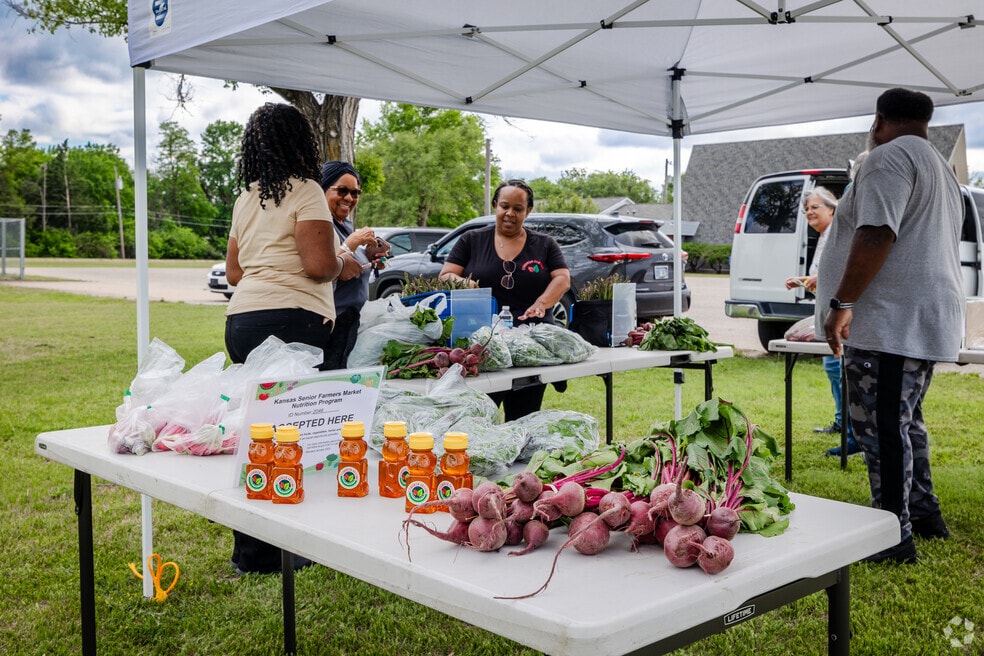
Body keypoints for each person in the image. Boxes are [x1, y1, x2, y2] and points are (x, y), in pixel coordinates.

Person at [818, 88, 960, 564]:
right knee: (904, 421)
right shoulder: (938, 165)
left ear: (879, 121)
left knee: (880, 426)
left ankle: (893, 536)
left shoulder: (887, 158)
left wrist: (843, 301)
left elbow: (877, 232)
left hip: (893, 320)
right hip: (920, 316)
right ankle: (922, 513)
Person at [224, 102, 345, 574]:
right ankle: (288, 550)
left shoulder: (245, 198)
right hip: (292, 320)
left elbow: (235, 272)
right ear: (301, 142)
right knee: (295, 435)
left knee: (256, 434)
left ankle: (251, 553)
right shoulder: (307, 191)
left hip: (242, 320)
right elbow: (318, 266)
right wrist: (342, 260)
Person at [438, 179, 571, 420]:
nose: (510, 213)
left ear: (527, 211)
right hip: (483, 347)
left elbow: (562, 278)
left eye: (518, 209)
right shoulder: (472, 239)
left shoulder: (544, 244)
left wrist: (542, 303)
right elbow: (446, 275)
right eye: (504, 206)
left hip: (529, 349)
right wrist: (470, 286)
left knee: (522, 417)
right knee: (479, 417)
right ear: (495, 206)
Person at [784, 186, 860, 456]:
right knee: (833, 368)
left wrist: (812, 280)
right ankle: (843, 423)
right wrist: (804, 281)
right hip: (828, 315)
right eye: (806, 209)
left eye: (815, 207)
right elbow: (824, 279)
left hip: (842, 317)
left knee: (841, 370)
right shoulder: (825, 236)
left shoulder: (838, 235)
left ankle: (853, 432)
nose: (809, 212)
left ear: (832, 208)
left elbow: (841, 274)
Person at [318, 161, 390, 370]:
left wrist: (371, 256)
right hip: (329, 327)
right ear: (322, 189)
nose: (349, 198)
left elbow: (349, 264)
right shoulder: (320, 224)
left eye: (355, 193)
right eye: (342, 190)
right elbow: (323, 268)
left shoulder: (345, 224)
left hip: (351, 325)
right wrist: (353, 242)